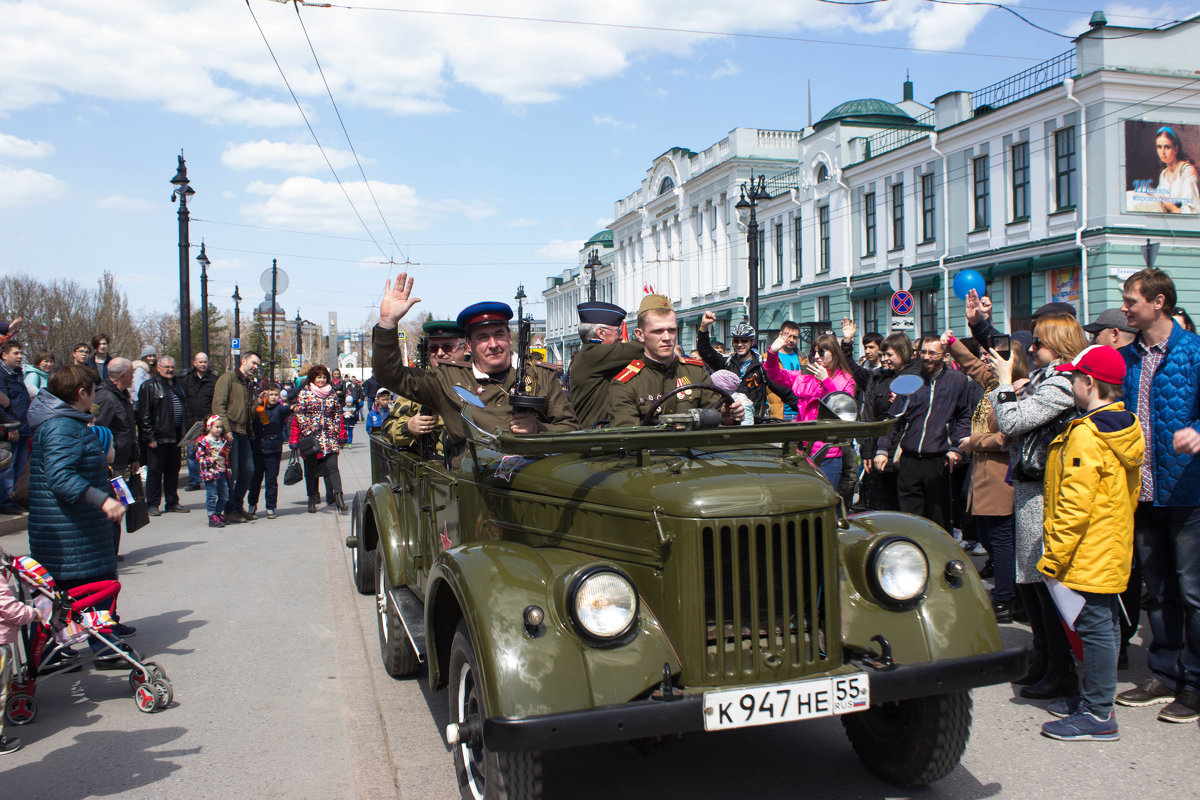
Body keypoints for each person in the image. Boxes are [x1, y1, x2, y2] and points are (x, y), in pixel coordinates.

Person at [1033, 344, 1143, 741]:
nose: (1072, 384)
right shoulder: (1121, 424)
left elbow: (1074, 504)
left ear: (1090, 383)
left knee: (1095, 628)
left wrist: (1054, 557)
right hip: (1108, 543)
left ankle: (1098, 715)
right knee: (1104, 625)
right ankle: (1095, 701)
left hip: (1087, 549)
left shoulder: (1087, 435)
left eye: (1075, 378)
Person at [1114, 268, 1200, 723]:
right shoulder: (1127, 358)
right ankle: (1164, 673)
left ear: (1158, 302)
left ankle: (1195, 683)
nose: (1125, 308)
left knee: (1192, 591)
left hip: (1188, 491)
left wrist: (1198, 433)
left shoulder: (1193, 352)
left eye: (1131, 301)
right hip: (1142, 493)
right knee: (1156, 590)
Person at [988, 313, 1089, 700]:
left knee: (1043, 580)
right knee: (1029, 579)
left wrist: (1003, 386)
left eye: (1038, 344)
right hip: (1031, 487)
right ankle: (1045, 659)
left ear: (1060, 346)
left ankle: (1060, 668)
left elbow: (1013, 422)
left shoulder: (1063, 383)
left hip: (1047, 489)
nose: (1031, 350)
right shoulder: (1046, 379)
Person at [372, 274, 579, 454]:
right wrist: (387, 324)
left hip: (532, 482)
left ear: (509, 337)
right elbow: (390, 375)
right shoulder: (447, 379)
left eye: (499, 334)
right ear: (469, 345)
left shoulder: (541, 377)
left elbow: (572, 430)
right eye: (483, 338)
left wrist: (539, 429)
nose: (493, 345)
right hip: (474, 486)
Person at [26, 364, 128, 666]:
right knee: (94, 586)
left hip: (69, 528)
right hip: (72, 529)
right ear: (81, 393)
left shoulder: (62, 421)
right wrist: (103, 501)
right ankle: (104, 646)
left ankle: (49, 653)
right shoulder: (61, 426)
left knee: (59, 592)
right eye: (92, 391)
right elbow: (61, 478)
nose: (94, 397)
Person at [944, 329, 1031, 622]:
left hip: (999, 475)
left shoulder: (1018, 390)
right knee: (987, 537)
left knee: (1001, 541)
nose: (989, 362)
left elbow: (1008, 436)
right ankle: (1011, 593)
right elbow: (973, 366)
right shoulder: (995, 384)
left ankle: (1007, 598)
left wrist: (974, 442)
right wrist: (953, 344)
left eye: (997, 358)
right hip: (983, 474)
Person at [873, 335, 972, 533]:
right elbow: (893, 418)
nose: (926, 357)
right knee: (910, 520)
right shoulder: (910, 380)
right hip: (909, 459)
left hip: (939, 459)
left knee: (939, 520)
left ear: (944, 356)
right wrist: (882, 449)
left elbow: (964, 417)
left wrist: (956, 449)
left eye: (932, 353)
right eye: (923, 352)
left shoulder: (957, 380)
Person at [609, 295, 743, 427]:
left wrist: (727, 417)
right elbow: (627, 436)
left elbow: (716, 414)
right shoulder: (627, 383)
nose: (667, 337)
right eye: (658, 331)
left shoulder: (695, 372)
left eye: (672, 330)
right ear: (640, 335)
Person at [764, 331, 856, 485]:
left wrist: (826, 381)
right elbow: (775, 375)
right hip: (803, 450)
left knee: (827, 497)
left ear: (834, 353)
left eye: (821, 352)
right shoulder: (806, 376)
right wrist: (773, 353)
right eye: (814, 352)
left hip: (828, 452)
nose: (816, 356)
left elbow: (843, 410)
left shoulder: (845, 380)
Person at [696, 314, 792, 422]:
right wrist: (703, 327)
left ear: (752, 342)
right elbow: (705, 351)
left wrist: (804, 408)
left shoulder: (761, 366)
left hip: (755, 423)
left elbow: (784, 392)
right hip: (731, 422)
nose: (740, 344)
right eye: (736, 341)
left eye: (744, 341)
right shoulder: (727, 362)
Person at [565, 301, 644, 428]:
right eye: (617, 331)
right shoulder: (593, 354)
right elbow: (639, 348)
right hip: (595, 438)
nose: (620, 337)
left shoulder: (588, 354)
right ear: (601, 333)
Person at [93, 358, 138, 561]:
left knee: (121, 505)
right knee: (112, 507)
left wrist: (134, 456)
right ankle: (107, 551)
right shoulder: (105, 397)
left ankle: (113, 550)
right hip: (110, 464)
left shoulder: (122, 396)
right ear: (122, 375)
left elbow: (128, 428)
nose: (133, 377)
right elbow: (99, 431)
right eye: (131, 373)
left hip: (122, 461)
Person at [211, 351, 261, 524]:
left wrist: (258, 403)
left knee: (248, 471)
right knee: (233, 473)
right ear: (244, 361)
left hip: (243, 432)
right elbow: (219, 404)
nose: (256, 367)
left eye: (257, 365)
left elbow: (248, 413)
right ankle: (229, 509)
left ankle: (237, 506)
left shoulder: (247, 383)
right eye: (254, 363)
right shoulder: (228, 378)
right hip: (231, 432)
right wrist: (226, 430)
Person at [293, 365, 345, 513]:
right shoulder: (305, 393)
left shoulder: (331, 393)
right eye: (318, 377)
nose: (321, 380)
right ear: (313, 379)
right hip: (312, 438)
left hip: (329, 437)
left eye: (323, 377)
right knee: (311, 469)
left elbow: (337, 412)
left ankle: (338, 497)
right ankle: (311, 498)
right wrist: (308, 429)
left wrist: (335, 428)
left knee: (333, 467)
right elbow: (299, 413)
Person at [0, 342, 32, 515]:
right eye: (16, 353)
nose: (20, 356)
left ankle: (16, 498)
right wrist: (10, 425)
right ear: (4, 355)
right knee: (7, 467)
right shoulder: (2, 375)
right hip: (10, 429)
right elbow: (4, 404)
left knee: (19, 468)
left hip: (23, 427)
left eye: (21, 353)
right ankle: (5, 501)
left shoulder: (18, 374)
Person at [249, 383, 289, 520]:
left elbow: (288, 409)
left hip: (273, 450)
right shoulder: (259, 408)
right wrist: (259, 401)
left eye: (275, 395)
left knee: (271, 480)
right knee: (256, 480)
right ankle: (252, 504)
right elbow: (252, 416)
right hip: (259, 449)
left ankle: (270, 507)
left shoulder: (280, 409)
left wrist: (294, 405)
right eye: (270, 394)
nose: (273, 397)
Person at [181, 352, 217, 492]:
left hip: (209, 422)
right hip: (192, 422)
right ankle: (194, 480)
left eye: (205, 362)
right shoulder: (187, 381)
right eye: (200, 362)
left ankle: (210, 477)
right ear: (194, 363)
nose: (203, 364)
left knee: (210, 451)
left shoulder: (214, 380)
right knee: (192, 453)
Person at [194, 414, 232, 528]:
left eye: (221, 427)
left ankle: (218, 513)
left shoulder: (221, 440)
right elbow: (200, 458)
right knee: (212, 495)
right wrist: (210, 459)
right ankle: (212, 516)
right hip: (211, 472)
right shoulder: (203, 441)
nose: (219, 429)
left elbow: (226, 452)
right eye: (217, 427)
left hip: (222, 470)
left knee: (224, 496)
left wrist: (226, 448)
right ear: (210, 427)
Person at [1152, 126, 1199, 214]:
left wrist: (1172, 208)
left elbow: (1194, 212)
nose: (1162, 152)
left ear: (1176, 148)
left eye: (1167, 147)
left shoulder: (1187, 172)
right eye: (1159, 147)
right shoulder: (1164, 174)